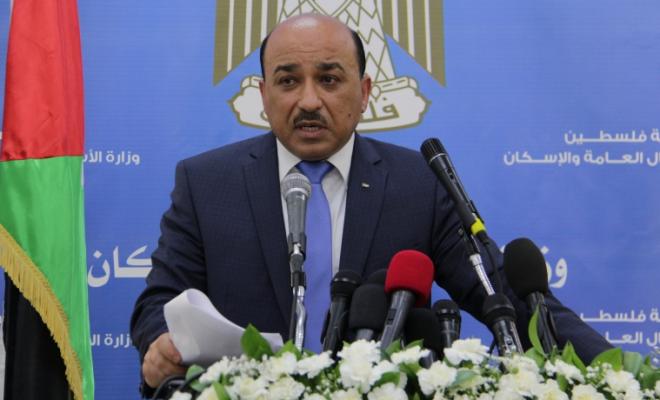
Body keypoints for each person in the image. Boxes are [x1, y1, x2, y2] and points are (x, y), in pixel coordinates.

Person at [130, 13, 611, 392]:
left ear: (363, 94)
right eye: (288, 81)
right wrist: (161, 343)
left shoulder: (417, 184)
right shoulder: (206, 183)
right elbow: (159, 302)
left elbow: (505, 296)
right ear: (264, 94)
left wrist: (615, 372)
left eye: (329, 79)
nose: (309, 100)